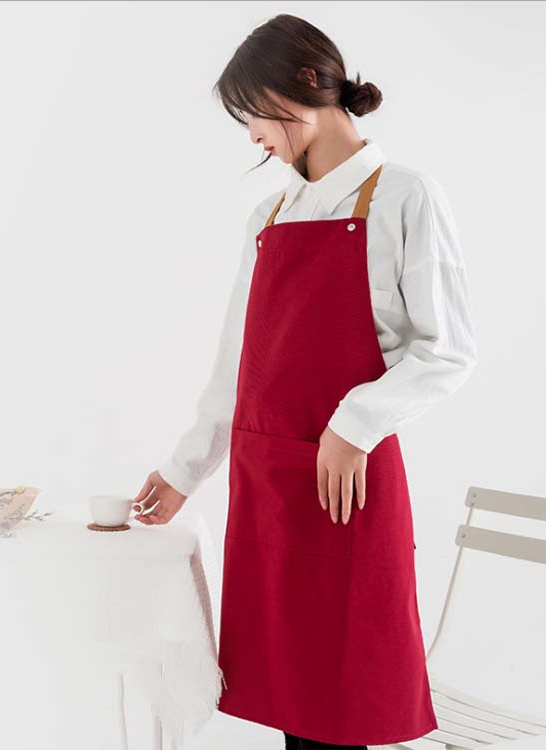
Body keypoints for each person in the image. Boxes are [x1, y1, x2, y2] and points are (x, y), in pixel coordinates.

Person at [132, 13, 477, 750]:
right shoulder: (272, 213)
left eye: (253, 114)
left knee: (344, 706)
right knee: (294, 710)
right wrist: (184, 470)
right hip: (269, 490)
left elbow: (445, 350)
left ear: (300, 89)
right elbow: (240, 365)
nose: (253, 136)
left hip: (344, 488)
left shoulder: (405, 196)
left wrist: (355, 425)